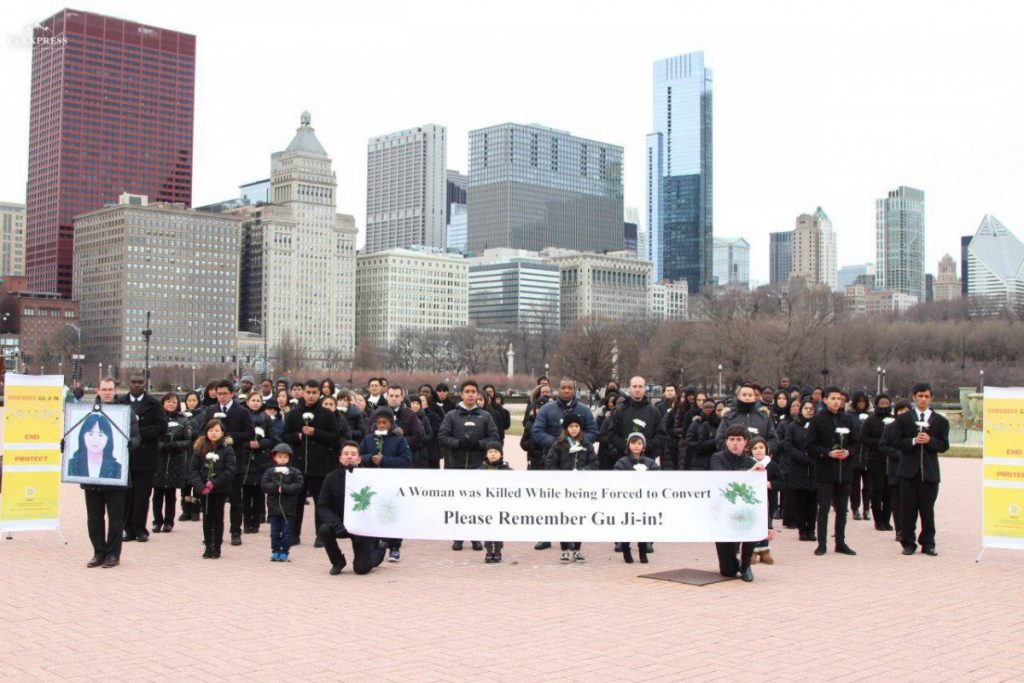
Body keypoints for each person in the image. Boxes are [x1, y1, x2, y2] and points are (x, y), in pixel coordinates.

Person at [80, 378, 137, 568]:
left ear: (115, 390)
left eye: (110, 389)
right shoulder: (86, 411)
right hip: (92, 475)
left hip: (115, 473)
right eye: (103, 389)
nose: (106, 392)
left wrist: (131, 443)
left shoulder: (125, 412)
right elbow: (76, 434)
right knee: (94, 517)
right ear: (98, 390)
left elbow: (136, 436)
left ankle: (113, 554)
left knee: (115, 518)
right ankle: (98, 552)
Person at [438, 380, 498, 552]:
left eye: (473, 391)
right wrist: (458, 443)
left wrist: (479, 444)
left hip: (478, 466)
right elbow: (442, 437)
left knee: (476, 505)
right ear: (462, 394)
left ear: (478, 394)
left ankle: (475, 537)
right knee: (458, 504)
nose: (470, 394)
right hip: (456, 465)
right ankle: (458, 537)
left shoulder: (485, 416)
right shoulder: (451, 416)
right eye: (467, 391)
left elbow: (494, 438)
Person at [282, 380, 340, 547]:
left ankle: (321, 535)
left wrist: (315, 432)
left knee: (320, 502)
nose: (311, 395)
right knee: (296, 501)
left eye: (314, 392)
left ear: (320, 393)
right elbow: (284, 436)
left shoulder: (327, 414)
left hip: (320, 465)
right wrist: (297, 436)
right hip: (298, 465)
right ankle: (294, 534)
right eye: (308, 392)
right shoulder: (294, 414)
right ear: (303, 393)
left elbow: (335, 438)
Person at [893, 383, 949, 556]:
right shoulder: (904, 419)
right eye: (920, 396)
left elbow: (944, 445)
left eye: (926, 396)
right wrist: (914, 441)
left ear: (931, 398)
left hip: (929, 472)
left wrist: (930, 441)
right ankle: (908, 542)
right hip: (908, 472)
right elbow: (897, 442)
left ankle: (928, 542)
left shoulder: (940, 421)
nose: (923, 399)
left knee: (927, 509)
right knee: (908, 509)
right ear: (914, 397)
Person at [710, 426, 772, 582]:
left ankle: (746, 564)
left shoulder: (750, 461)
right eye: (731, 440)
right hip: (723, 512)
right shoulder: (717, 458)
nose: (735, 443)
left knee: (749, 523)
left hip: (744, 511)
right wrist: (751, 472)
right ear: (726, 442)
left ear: (745, 442)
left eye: (738, 440)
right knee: (728, 571)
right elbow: (723, 480)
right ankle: (734, 564)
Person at [318, 441, 388, 575]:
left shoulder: (369, 477)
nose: (349, 457)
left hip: (362, 527)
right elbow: (323, 505)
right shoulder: (331, 478)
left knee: (361, 569)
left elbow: (378, 503)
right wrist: (337, 524)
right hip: (340, 523)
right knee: (324, 530)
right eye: (346, 454)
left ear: (359, 458)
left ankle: (381, 548)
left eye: (353, 454)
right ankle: (338, 561)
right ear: (340, 458)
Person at [201, 379, 255, 547]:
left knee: (235, 500)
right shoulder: (211, 410)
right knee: (214, 501)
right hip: (214, 462)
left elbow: (249, 433)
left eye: (225, 394)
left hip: (234, 460)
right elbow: (202, 431)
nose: (222, 397)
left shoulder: (242, 411)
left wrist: (231, 438)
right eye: (219, 394)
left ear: (232, 394)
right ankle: (213, 532)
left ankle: (235, 531)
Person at [807, 386, 859, 556]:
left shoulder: (847, 419)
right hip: (825, 470)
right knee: (823, 509)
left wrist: (848, 452)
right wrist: (826, 452)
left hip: (844, 471)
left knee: (842, 509)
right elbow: (810, 446)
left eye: (839, 399)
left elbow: (856, 442)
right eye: (833, 398)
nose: (837, 402)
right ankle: (822, 543)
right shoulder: (818, 420)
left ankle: (840, 542)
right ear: (825, 400)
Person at [359, 408, 413, 561]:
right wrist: (370, 459)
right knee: (374, 513)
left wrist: (385, 460)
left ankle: (394, 546)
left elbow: (406, 460)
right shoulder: (368, 439)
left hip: (392, 484)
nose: (381, 425)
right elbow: (359, 457)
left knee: (392, 513)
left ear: (390, 424)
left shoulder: (399, 440)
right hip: (372, 484)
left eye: (385, 422)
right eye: (379, 422)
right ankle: (375, 544)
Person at [120, 373, 168, 544]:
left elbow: (162, 427)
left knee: (142, 495)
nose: (137, 385)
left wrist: (139, 433)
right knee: (126, 496)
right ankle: (128, 529)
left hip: (146, 456)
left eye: (140, 382)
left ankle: (140, 529)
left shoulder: (153, 403)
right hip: (126, 455)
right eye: (134, 382)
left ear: (145, 384)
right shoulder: (121, 402)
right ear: (129, 383)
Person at [544, 412, 597, 562]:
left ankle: (577, 549)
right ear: (566, 428)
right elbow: (550, 464)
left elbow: (593, 464)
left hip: (581, 489)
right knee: (564, 518)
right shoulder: (559, 444)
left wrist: (582, 472)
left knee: (579, 518)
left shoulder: (586, 444)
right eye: (571, 426)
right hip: (564, 488)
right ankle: (565, 548)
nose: (574, 429)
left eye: (577, 426)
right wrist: (563, 476)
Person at [190, 419, 237, 559]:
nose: (214, 433)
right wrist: (200, 486)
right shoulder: (200, 448)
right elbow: (193, 469)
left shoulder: (227, 449)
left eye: (217, 430)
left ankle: (216, 547)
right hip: (204, 489)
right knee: (206, 517)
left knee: (217, 518)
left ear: (222, 432)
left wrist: (214, 483)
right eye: (211, 430)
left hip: (219, 490)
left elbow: (230, 470)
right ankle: (208, 545)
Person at [614, 432, 659, 563]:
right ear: (628, 445)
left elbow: (657, 480)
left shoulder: (650, 463)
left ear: (644, 446)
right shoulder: (622, 463)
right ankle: (626, 550)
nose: (636, 446)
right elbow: (617, 479)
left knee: (643, 526)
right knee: (627, 525)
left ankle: (643, 551)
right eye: (633, 443)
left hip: (644, 501)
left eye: (639, 443)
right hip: (627, 501)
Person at [152, 393, 192, 533]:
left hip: (175, 461)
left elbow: (188, 440)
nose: (170, 404)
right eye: (168, 401)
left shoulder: (182, 420)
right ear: (163, 403)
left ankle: (169, 521)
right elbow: (152, 437)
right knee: (157, 493)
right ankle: (157, 521)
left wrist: (175, 445)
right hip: (159, 461)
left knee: (170, 494)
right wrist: (161, 445)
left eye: (174, 402)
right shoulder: (157, 418)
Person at [604, 376, 665, 468]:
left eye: (640, 387)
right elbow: (612, 434)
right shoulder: (620, 410)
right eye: (634, 386)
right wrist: (627, 447)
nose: (637, 389)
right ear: (630, 388)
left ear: (644, 389)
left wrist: (645, 447)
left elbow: (661, 435)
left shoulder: (654, 411)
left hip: (648, 460)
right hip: (624, 461)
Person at [780, 399, 818, 542]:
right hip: (798, 468)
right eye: (806, 408)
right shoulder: (792, 426)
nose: (809, 411)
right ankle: (802, 529)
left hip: (814, 469)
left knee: (813, 502)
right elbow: (788, 446)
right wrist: (803, 458)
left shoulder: (816, 426)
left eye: (811, 408)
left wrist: (815, 457)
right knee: (800, 501)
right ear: (801, 410)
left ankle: (812, 529)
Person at [532, 377, 599, 457]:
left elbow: (593, 432)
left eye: (570, 388)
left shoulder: (585, 410)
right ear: (559, 390)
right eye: (563, 388)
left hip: (578, 458)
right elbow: (537, 431)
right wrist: (556, 443)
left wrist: (577, 442)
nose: (566, 391)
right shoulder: (546, 409)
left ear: (574, 391)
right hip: (552, 457)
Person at [261, 443, 304, 562]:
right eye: (280, 456)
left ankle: (285, 551)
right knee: (274, 532)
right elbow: (264, 485)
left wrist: (284, 488)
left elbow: (298, 485)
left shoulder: (294, 472)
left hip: (288, 508)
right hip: (274, 508)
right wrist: (275, 487)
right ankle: (275, 551)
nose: (282, 459)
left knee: (287, 532)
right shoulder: (270, 471)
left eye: (285, 457)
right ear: (274, 457)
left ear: (290, 458)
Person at [241, 393, 274, 534]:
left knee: (259, 493)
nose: (255, 403)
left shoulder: (266, 419)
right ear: (247, 402)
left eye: (258, 400)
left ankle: (256, 522)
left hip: (261, 460)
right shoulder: (242, 416)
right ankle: (247, 522)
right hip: (246, 459)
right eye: (252, 400)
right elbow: (238, 437)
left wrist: (260, 444)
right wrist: (248, 444)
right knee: (246, 493)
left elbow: (273, 439)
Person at [861, 393, 894, 531]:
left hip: (890, 460)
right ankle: (878, 520)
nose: (884, 406)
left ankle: (886, 519)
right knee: (877, 490)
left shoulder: (893, 420)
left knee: (889, 491)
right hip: (875, 459)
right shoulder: (871, 420)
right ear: (877, 404)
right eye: (882, 403)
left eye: (887, 403)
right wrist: (881, 443)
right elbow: (864, 438)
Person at [880, 399, 912, 541]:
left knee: (910, 502)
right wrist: (898, 454)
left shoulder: (914, 427)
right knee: (897, 502)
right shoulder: (890, 427)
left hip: (911, 471)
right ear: (896, 412)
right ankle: (900, 530)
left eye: (907, 411)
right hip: (895, 469)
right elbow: (883, 445)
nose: (904, 413)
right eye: (901, 411)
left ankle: (909, 529)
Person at [715, 383, 777, 453]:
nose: (747, 398)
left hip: (759, 460)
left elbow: (773, 439)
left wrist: (763, 450)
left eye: (750, 395)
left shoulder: (764, 417)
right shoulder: (729, 417)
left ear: (754, 397)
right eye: (744, 395)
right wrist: (734, 451)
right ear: (738, 396)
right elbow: (719, 440)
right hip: (734, 460)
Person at [749, 436, 782, 565]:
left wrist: (770, 484)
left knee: (766, 524)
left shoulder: (772, 465)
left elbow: (781, 482)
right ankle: (751, 550)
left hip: (769, 500)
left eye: (761, 448)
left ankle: (764, 550)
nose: (758, 451)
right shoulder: (748, 464)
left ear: (766, 449)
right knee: (752, 524)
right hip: (752, 501)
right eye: (755, 448)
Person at [479, 441, 511, 563]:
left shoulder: (507, 470)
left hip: (500, 505)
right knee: (487, 529)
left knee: (498, 529)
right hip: (486, 505)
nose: (493, 454)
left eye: (496, 452)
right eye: (490, 452)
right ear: (486, 454)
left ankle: (498, 550)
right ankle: (488, 550)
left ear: (501, 455)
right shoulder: (480, 470)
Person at [179, 391, 204, 522]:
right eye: (189, 400)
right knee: (185, 485)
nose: (192, 403)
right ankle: (185, 509)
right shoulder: (182, 416)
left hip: (196, 451)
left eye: (194, 400)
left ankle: (195, 509)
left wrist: (193, 432)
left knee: (196, 484)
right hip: (184, 453)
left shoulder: (201, 415)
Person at [848, 392, 873, 521]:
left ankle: (867, 508)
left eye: (863, 402)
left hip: (868, 454)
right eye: (859, 402)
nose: (861, 404)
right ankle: (855, 508)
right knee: (854, 485)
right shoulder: (850, 416)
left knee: (868, 485)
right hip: (855, 455)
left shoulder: (870, 416)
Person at [683, 400, 722, 471]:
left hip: (715, 460)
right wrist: (701, 445)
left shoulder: (720, 424)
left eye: (711, 407)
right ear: (702, 409)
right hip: (698, 461)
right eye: (706, 407)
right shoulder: (696, 424)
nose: (708, 409)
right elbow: (689, 441)